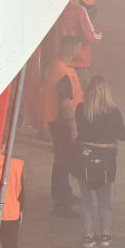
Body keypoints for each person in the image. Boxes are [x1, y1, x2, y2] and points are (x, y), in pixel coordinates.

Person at [75, 75, 125, 248]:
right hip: (105, 158)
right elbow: (122, 135)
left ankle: (88, 235)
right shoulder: (113, 112)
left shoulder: (81, 108)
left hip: (84, 155)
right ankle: (105, 234)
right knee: (105, 198)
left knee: (86, 197)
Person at [42, 35, 84, 215]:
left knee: (62, 160)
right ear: (73, 48)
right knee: (63, 162)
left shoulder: (56, 66)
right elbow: (66, 104)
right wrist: (74, 128)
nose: (81, 51)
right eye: (80, 47)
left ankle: (64, 193)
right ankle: (61, 202)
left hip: (57, 122)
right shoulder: (63, 73)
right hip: (63, 125)